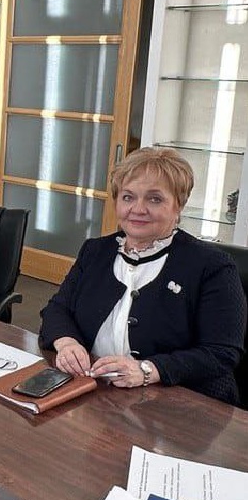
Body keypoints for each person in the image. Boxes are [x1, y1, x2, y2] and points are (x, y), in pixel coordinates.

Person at [39, 146, 246, 404]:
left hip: (181, 405)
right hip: (95, 392)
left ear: (178, 205)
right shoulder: (95, 251)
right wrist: (67, 343)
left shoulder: (213, 266)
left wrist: (148, 370)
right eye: (128, 197)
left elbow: (222, 352)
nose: (138, 209)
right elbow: (57, 309)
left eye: (154, 199)